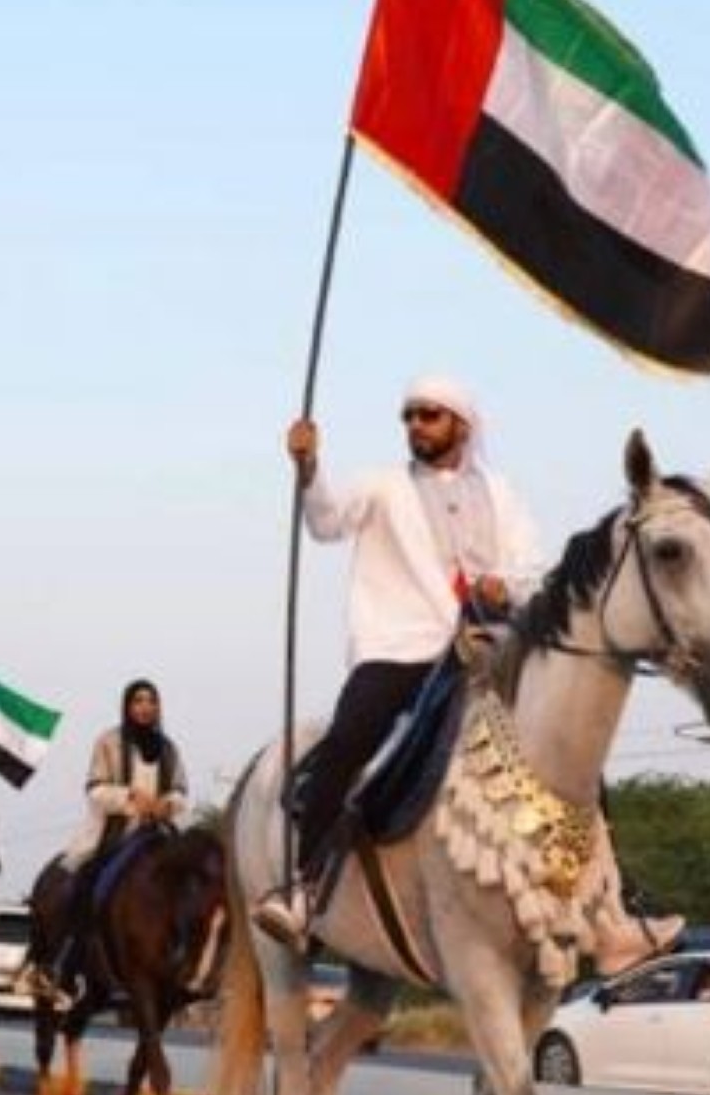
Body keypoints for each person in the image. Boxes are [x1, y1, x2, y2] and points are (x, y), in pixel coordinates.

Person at [252, 376, 683, 972]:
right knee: (349, 741)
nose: (415, 426)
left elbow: (534, 565)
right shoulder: (383, 486)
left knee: (571, 757)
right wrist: (309, 467)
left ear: (462, 424)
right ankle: (304, 888)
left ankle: (612, 912)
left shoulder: (500, 493)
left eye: (428, 415)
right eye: (409, 416)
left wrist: (507, 582)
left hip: (490, 650)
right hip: (402, 648)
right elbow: (326, 522)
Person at [31, 680, 188, 1003]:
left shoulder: (169, 749)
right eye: (138, 701)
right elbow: (95, 789)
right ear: (127, 706)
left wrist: (167, 804)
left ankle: (186, 967)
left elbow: (181, 792)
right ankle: (63, 965)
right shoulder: (109, 742)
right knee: (85, 883)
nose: (145, 707)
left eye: (151, 701)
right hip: (115, 832)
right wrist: (131, 797)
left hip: (157, 833)